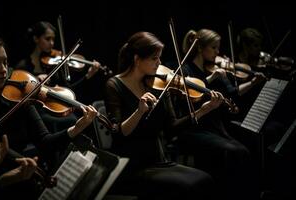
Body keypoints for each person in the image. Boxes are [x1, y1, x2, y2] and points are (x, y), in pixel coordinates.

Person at [0, 35, 97, 199]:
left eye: (5, 62)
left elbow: (46, 142)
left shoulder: (17, 103)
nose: (3, 69)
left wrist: (77, 128)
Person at [104, 31, 214, 200]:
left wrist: (202, 111)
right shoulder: (114, 85)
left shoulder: (158, 84)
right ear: (137, 59)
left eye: (159, 58)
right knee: (187, 187)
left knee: (205, 180)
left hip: (158, 159)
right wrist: (139, 111)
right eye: (154, 58)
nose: (159, 63)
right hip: (132, 164)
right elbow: (119, 133)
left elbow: (171, 128)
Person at [172, 28, 258, 199]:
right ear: (199, 48)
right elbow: (188, 99)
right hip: (194, 129)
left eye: (218, 48)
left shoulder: (212, 69)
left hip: (214, 127)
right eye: (214, 48)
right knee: (234, 152)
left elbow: (232, 93)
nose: (218, 53)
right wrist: (210, 80)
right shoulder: (185, 70)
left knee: (247, 148)